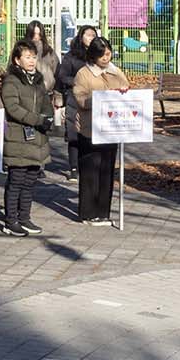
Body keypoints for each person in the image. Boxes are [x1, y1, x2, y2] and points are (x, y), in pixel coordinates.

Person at [71, 37, 131, 225]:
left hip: (112, 129)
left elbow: (127, 89)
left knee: (106, 171)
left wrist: (124, 91)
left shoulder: (116, 71)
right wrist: (99, 99)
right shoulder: (84, 74)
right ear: (93, 56)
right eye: (102, 55)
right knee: (90, 171)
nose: (106, 58)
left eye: (108, 53)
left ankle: (103, 211)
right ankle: (88, 213)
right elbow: (80, 99)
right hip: (90, 129)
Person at [0, 42, 51, 236]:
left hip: (36, 138)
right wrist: (37, 120)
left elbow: (46, 102)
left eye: (33, 57)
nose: (31, 61)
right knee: (16, 180)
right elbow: (12, 108)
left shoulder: (37, 80)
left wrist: (48, 116)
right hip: (18, 136)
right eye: (27, 57)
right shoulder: (12, 80)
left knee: (30, 180)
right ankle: (10, 220)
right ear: (17, 60)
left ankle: (24, 217)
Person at [56, 25, 99, 165]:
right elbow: (63, 76)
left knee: (91, 133)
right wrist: (78, 82)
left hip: (94, 99)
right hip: (74, 99)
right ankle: (73, 167)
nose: (91, 37)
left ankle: (87, 163)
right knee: (74, 134)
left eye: (93, 35)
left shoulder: (98, 56)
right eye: (88, 35)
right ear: (81, 37)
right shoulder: (71, 56)